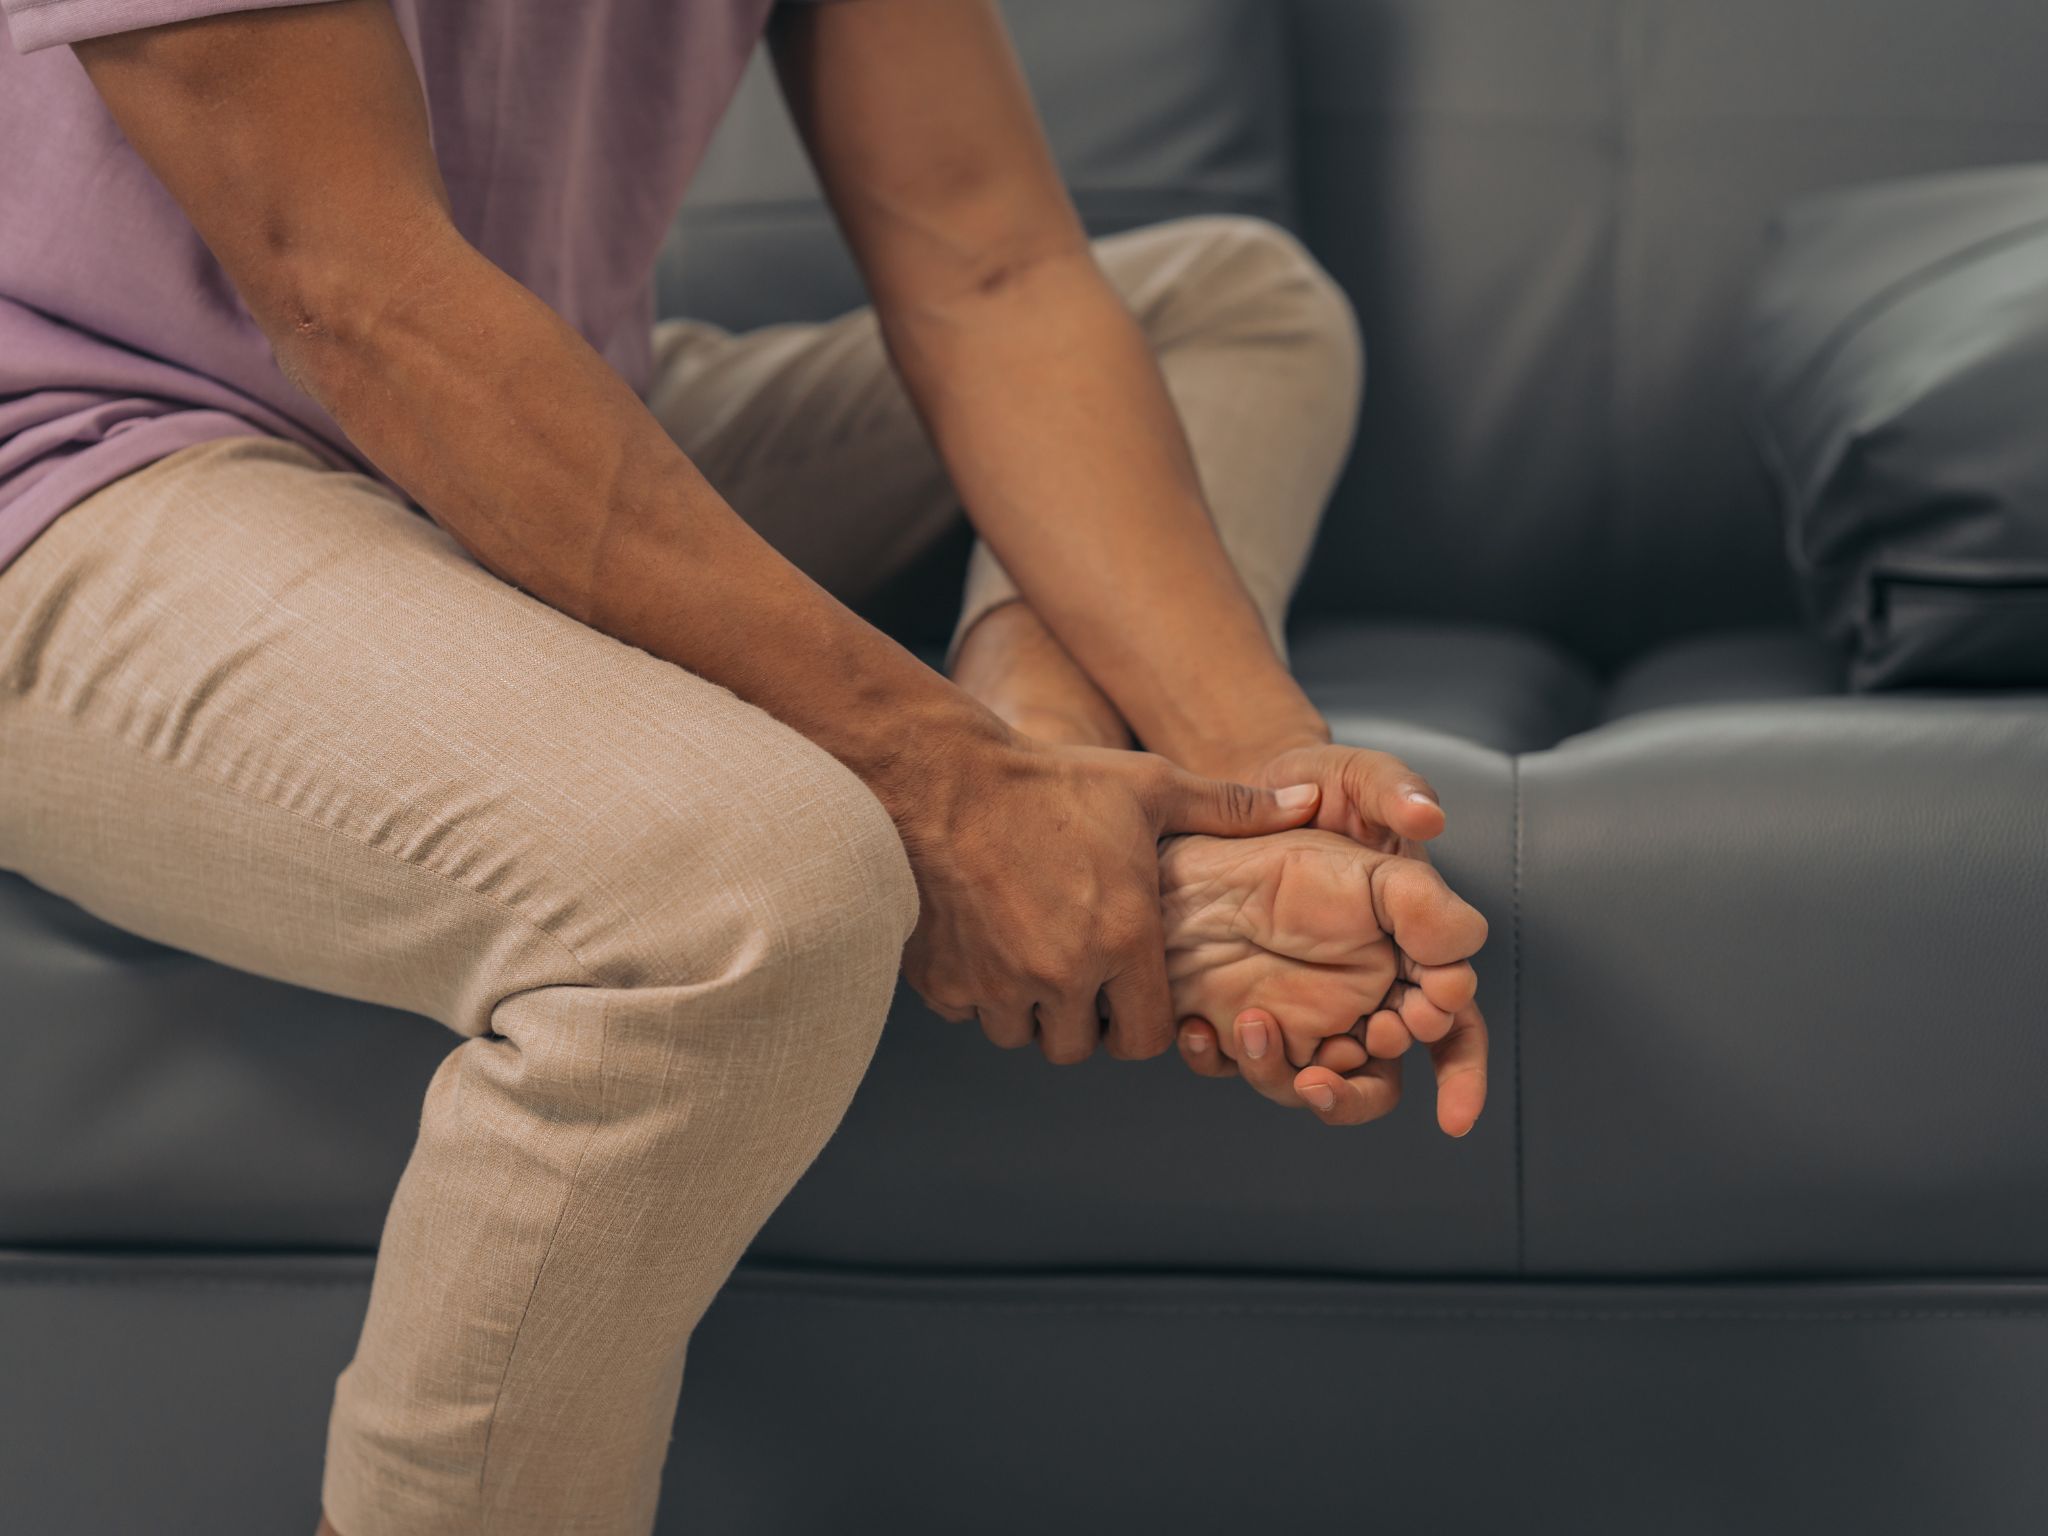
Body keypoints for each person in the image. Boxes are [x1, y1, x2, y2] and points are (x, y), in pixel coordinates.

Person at [0, 1, 1489, 1530]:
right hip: (83, 443)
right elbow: (353, 286)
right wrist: (944, 791)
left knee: (1228, 299)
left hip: (516, 412)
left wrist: (1261, 788)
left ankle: (1070, 787)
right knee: (747, 897)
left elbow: (991, 264)